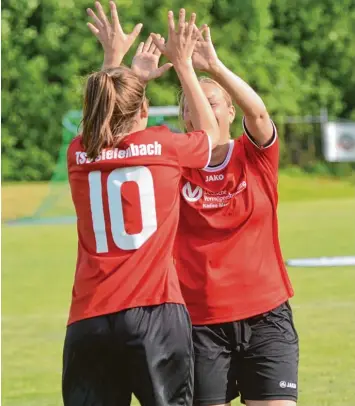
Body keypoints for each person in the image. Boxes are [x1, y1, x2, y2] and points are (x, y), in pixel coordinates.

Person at [95, 9, 299, 406]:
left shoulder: (252, 155)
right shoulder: (171, 162)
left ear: (228, 111)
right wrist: (126, 71)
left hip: (266, 316)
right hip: (199, 324)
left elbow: (259, 114)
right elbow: (114, 135)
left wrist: (214, 67)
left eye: (210, 101)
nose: (196, 107)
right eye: (188, 102)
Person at [63, 2, 220, 406]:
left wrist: (114, 61)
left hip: (90, 318)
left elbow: (106, 113)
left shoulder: (78, 154)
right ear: (146, 111)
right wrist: (184, 65)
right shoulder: (164, 146)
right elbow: (212, 134)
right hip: (153, 314)